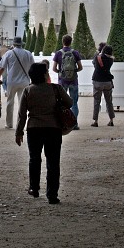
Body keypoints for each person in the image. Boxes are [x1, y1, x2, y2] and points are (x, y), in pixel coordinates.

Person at [15, 62, 71, 204]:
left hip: (34, 128)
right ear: (45, 75)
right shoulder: (56, 89)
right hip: (53, 128)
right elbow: (70, 103)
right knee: (53, 162)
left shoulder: (28, 90)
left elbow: (22, 114)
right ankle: (52, 194)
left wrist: (19, 132)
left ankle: (34, 188)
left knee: (34, 159)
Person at [0, 37, 34, 130]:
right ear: (22, 44)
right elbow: (33, 68)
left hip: (12, 81)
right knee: (23, 104)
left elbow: (2, 68)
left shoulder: (9, 53)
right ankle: (21, 124)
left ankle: (9, 123)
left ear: (13, 44)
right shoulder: (28, 53)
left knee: (10, 102)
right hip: (25, 81)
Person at [52, 35, 82, 129]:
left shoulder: (58, 53)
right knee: (74, 103)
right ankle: (74, 125)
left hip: (62, 82)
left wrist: (60, 72)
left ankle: (63, 124)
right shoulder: (75, 53)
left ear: (62, 42)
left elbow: (54, 68)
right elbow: (80, 67)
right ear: (71, 42)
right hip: (73, 81)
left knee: (61, 103)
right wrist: (74, 72)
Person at [90, 44, 115, 127]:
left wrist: (98, 53)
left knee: (97, 102)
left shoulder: (97, 58)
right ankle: (111, 120)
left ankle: (96, 121)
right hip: (108, 82)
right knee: (109, 102)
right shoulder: (111, 60)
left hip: (97, 81)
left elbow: (94, 63)